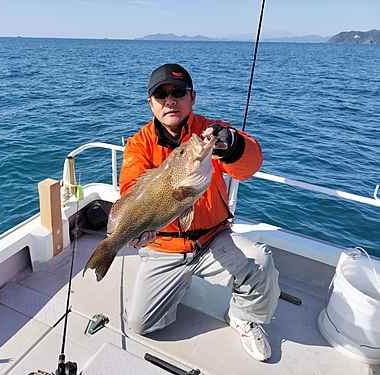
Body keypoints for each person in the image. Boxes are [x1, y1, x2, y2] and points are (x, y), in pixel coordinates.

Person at [120, 63, 280, 362]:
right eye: (161, 94)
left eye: (178, 92)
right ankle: (174, 285)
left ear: (192, 97)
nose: (170, 100)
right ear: (150, 103)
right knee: (140, 325)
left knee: (261, 262)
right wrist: (137, 231)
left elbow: (251, 164)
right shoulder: (138, 145)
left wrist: (232, 145)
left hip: (212, 238)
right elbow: (131, 189)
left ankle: (244, 317)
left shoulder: (210, 134)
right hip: (163, 246)